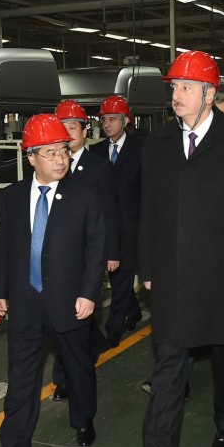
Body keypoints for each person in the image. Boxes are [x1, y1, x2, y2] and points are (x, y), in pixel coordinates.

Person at [117, 50, 224, 447]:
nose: (175, 96)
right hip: (173, 278)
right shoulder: (160, 143)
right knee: (168, 369)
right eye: (173, 88)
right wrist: (147, 266)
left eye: (184, 88)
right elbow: (149, 212)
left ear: (208, 94)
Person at [0, 114, 106, 447]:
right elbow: (3, 245)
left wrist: (89, 294)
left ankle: (83, 419)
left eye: (64, 152)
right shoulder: (14, 196)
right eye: (50, 153)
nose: (60, 159)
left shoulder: (85, 195)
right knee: (20, 381)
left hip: (70, 303)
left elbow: (96, 247)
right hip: (24, 303)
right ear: (31, 156)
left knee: (78, 369)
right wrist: (0, 289)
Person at [50, 99, 120, 401]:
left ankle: (69, 373)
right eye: (62, 128)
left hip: (89, 256)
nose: (67, 133)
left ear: (84, 130)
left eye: (72, 127)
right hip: (59, 258)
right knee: (63, 318)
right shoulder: (51, 165)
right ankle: (69, 369)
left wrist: (112, 253)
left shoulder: (98, 167)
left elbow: (110, 213)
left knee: (80, 314)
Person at [90, 96, 142, 348]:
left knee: (122, 275)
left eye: (112, 119)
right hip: (105, 225)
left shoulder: (141, 150)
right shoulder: (96, 151)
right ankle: (133, 311)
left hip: (132, 225)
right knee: (119, 274)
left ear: (125, 121)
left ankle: (114, 328)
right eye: (104, 120)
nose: (107, 124)